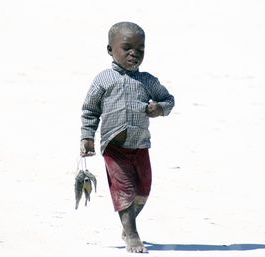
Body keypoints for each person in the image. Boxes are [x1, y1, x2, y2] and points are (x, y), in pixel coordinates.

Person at [80, 21, 175, 253]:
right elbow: (90, 110)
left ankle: (128, 224)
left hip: (140, 144)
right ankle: (132, 234)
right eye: (127, 47)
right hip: (114, 146)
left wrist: (159, 108)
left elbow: (169, 100)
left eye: (140, 49)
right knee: (124, 190)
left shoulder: (148, 81)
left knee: (143, 190)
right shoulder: (103, 80)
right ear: (110, 50)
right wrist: (87, 137)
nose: (134, 53)